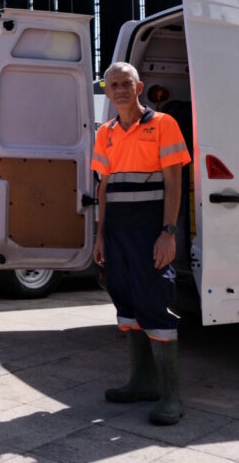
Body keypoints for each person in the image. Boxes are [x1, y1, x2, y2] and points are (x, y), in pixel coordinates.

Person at [92, 62, 190, 426]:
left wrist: (168, 232)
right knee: (126, 303)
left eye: (125, 83)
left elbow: (174, 182)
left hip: (150, 231)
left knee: (155, 304)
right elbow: (103, 187)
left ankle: (171, 397)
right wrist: (100, 235)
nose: (118, 89)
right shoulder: (105, 133)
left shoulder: (163, 124)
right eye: (112, 84)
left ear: (139, 86)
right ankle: (142, 380)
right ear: (107, 90)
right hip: (116, 232)